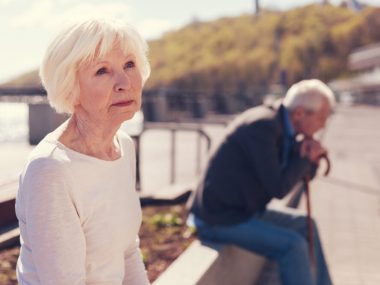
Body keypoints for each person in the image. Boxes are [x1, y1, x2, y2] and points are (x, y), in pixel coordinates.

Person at [15, 18, 151, 285]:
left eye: (129, 65)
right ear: (71, 87)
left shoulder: (123, 146)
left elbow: (127, 252)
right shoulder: (50, 169)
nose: (124, 82)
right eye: (102, 71)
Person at [188, 79, 335, 285]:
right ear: (300, 113)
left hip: (244, 210)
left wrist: (308, 158)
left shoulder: (286, 127)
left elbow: (304, 177)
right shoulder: (262, 127)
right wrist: (304, 159)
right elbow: (278, 187)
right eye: (321, 118)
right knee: (293, 246)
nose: (323, 125)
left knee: (306, 224)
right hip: (218, 217)